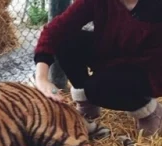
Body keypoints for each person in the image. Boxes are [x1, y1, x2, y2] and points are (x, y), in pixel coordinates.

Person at [34, 0, 162, 136]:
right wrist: (42, 79)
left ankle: (149, 111)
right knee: (65, 39)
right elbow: (55, 29)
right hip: (113, 53)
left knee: (97, 89)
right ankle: (87, 106)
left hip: (150, 69)